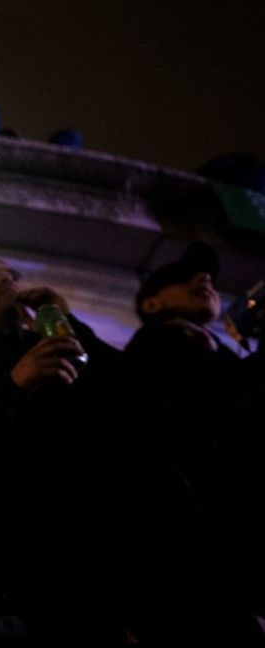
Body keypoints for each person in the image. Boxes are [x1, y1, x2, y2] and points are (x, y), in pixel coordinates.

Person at [0, 258, 138, 644]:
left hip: (89, 545)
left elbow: (132, 391)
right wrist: (14, 385)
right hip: (8, 555)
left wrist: (69, 321)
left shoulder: (61, 347)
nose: (8, 280)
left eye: (14, 276)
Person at [124, 242, 265, 645]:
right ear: (151, 304)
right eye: (182, 279)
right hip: (189, 560)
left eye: (208, 280)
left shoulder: (216, 352)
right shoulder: (157, 347)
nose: (204, 281)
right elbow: (209, 418)